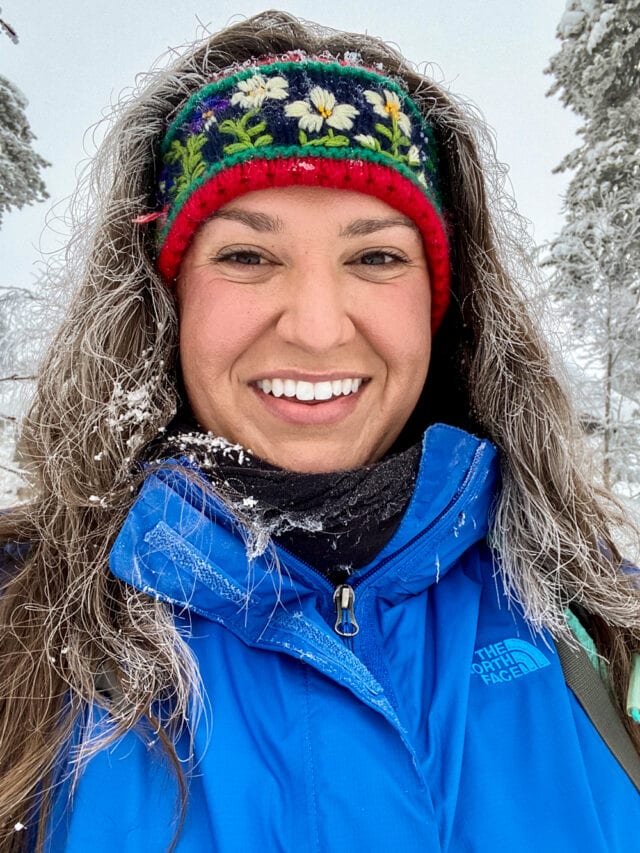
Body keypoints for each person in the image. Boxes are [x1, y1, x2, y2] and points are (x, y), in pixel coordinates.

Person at [1, 9, 639, 852]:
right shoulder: (23, 630)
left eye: (374, 256)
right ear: (168, 298)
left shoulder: (603, 629)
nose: (314, 327)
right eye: (246, 256)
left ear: (442, 304)